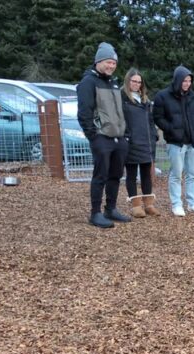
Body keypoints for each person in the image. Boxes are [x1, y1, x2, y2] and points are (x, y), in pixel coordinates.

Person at [76, 42, 131, 228]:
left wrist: (125, 135)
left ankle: (111, 208)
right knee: (100, 176)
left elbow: (120, 110)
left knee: (115, 175)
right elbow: (84, 112)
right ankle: (95, 213)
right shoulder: (88, 82)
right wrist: (93, 136)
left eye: (114, 63)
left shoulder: (113, 82)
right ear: (98, 61)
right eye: (108, 62)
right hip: (102, 137)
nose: (111, 66)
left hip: (119, 137)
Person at [153, 65, 194, 216]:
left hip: (192, 142)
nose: (187, 84)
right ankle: (176, 204)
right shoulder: (163, 96)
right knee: (176, 174)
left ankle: (192, 203)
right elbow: (158, 117)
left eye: (189, 81)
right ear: (177, 80)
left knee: (192, 174)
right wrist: (171, 130)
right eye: (184, 80)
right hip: (175, 143)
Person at [121, 68, 160, 218]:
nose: (137, 84)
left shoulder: (145, 100)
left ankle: (149, 204)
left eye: (139, 82)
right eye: (134, 81)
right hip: (131, 142)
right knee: (131, 174)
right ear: (128, 81)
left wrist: (154, 135)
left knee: (146, 174)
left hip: (146, 141)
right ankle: (136, 206)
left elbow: (151, 120)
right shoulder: (122, 98)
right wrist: (126, 136)